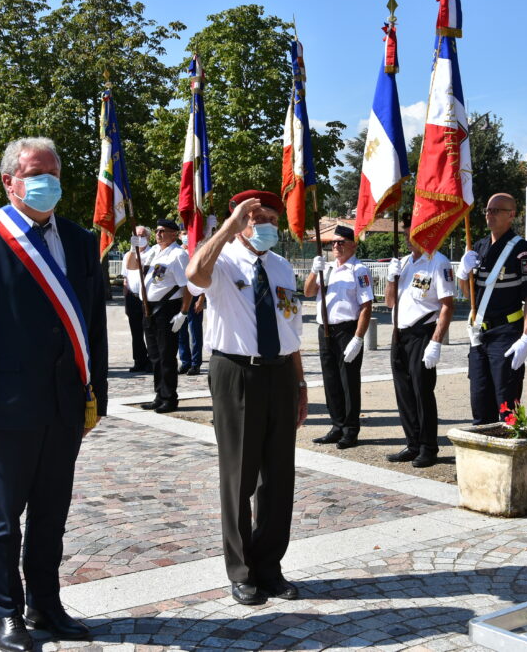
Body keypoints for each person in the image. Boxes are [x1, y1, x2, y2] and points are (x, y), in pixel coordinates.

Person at [0, 137, 108, 651]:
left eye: (54, 172)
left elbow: (94, 326)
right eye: (36, 172)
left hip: (65, 403)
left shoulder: (82, 240)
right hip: (7, 407)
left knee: (51, 514)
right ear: (9, 181)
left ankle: (46, 603)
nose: (48, 182)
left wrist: (95, 393)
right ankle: (7, 612)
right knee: (2, 519)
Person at [185, 190, 307, 607]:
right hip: (235, 372)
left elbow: (291, 331)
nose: (267, 224)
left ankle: (269, 566)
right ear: (242, 221)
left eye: (272, 217)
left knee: (278, 476)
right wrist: (227, 225)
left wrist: (301, 385)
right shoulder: (221, 259)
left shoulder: (282, 267)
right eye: (257, 217)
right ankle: (240, 570)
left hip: (279, 374)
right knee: (239, 475)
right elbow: (194, 274)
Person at [456, 192, 527, 424]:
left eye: (496, 210)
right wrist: (463, 274)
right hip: (479, 334)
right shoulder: (479, 246)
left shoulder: (522, 250)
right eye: (487, 211)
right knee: (479, 401)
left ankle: (512, 452)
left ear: (511, 215)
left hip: (506, 333)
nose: (489, 215)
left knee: (507, 403)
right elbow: (470, 295)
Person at [383, 214, 456, 468]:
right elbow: (389, 302)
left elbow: (447, 305)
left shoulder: (438, 262)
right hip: (399, 334)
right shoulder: (403, 263)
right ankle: (412, 443)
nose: (407, 238)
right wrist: (391, 277)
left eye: (411, 233)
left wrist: (436, 341)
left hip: (423, 333)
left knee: (422, 392)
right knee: (403, 393)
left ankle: (428, 447)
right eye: (405, 234)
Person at [303, 225, 373, 449]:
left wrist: (359, 337)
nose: (335, 246)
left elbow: (366, 305)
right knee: (331, 381)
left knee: (348, 382)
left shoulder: (358, 270)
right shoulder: (328, 268)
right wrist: (314, 272)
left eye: (340, 242)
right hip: (325, 330)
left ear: (352, 244)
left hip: (347, 330)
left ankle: (350, 430)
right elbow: (308, 292)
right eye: (332, 243)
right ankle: (337, 425)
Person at [128, 219, 190, 413]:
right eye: (157, 231)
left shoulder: (178, 254)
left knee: (166, 356)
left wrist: (183, 313)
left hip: (166, 309)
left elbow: (186, 287)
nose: (158, 234)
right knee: (154, 356)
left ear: (173, 234)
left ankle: (170, 398)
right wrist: (133, 248)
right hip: (149, 309)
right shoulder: (155, 251)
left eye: (163, 231)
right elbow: (132, 266)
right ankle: (159, 395)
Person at [122, 225, 152, 373]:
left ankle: (152, 360)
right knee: (136, 332)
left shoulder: (153, 253)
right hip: (132, 297)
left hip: (147, 298)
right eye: (136, 236)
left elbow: (142, 267)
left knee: (149, 330)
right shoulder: (128, 255)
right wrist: (125, 301)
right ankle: (139, 360)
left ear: (148, 237)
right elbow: (125, 280)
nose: (139, 238)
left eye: (141, 235)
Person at [177, 291, 205, 376]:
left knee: (195, 333)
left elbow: (201, 279)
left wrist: (201, 298)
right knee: (181, 333)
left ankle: (196, 364)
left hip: (194, 297)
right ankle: (185, 362)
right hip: (179, 298)